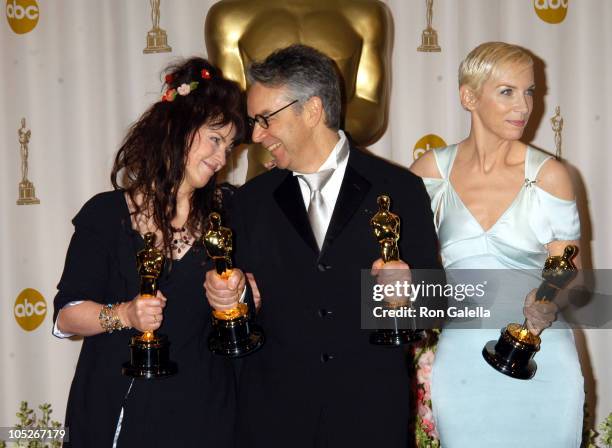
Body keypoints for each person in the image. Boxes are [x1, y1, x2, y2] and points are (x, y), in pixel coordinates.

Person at [204, 44, 441, 447]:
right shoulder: (249, 201)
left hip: (369, 417)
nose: (257, 135)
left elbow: (434, 307)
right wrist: (231, 300)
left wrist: (408, 292)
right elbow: (241, 320)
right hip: (272, 420)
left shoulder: (400, 188)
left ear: (312, 110)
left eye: (264, 119)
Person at [52, 57, 247, 447]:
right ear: (178, 130)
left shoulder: (232, 212)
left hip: (205, 415)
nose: (222, 158)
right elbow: (67, 316)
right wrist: (123, 314)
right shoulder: (106, 215)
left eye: (229, 146)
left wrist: (242, 293)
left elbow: (258, 305)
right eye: (214, 139)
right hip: (116, 413)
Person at [411, 41, 584, 447]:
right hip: (463, 363)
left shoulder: (550, 175)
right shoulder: (429, 173)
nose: (523, 106)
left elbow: (571, 269)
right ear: (468, 96)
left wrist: (547, 300)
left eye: (529, 91)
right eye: (507, 91)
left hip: (542, 357)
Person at [205, 0, 392, 179]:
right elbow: (228, 115)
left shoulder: (366, 15)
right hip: (266, 173)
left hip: (345, 171)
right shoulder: (228, 18)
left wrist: (312, 144)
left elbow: (370, 112)